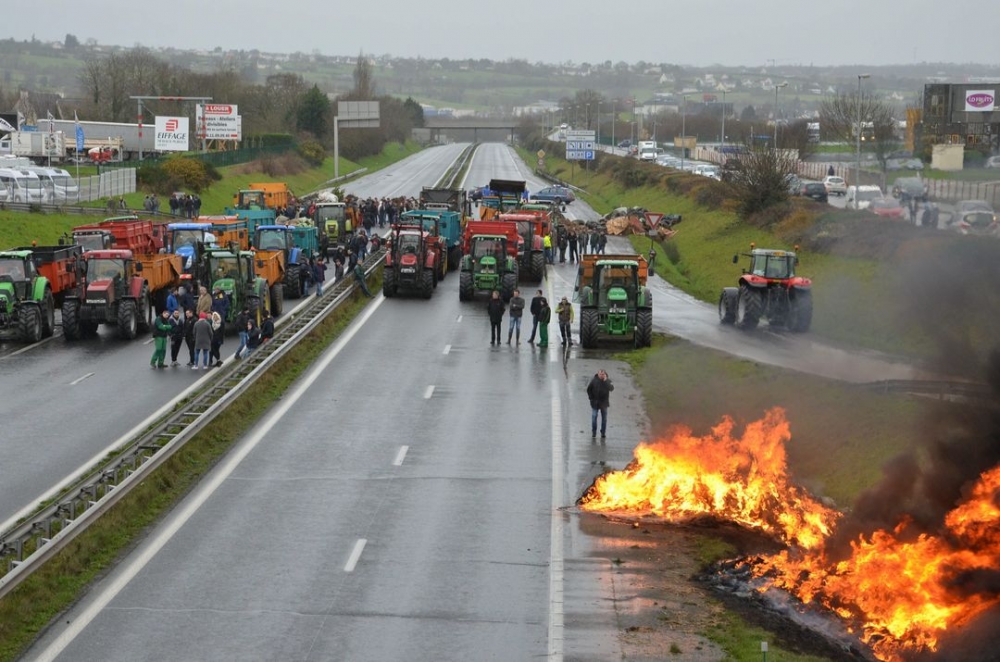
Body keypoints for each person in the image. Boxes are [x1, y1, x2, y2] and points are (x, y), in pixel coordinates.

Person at [586, 369, 615, 438]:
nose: (602, 376)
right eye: (600, 374)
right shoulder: (594, 380)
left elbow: (611, 389)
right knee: (594, 417)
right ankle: (594, 431)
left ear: (605, 375)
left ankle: (603, 432)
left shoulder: (607, 381)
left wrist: (606, 381)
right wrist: (591, 398)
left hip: (604, 403)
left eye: (603, 374)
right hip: (595, 403)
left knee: (604, 419)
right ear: (598, 374)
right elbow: (588, 389)